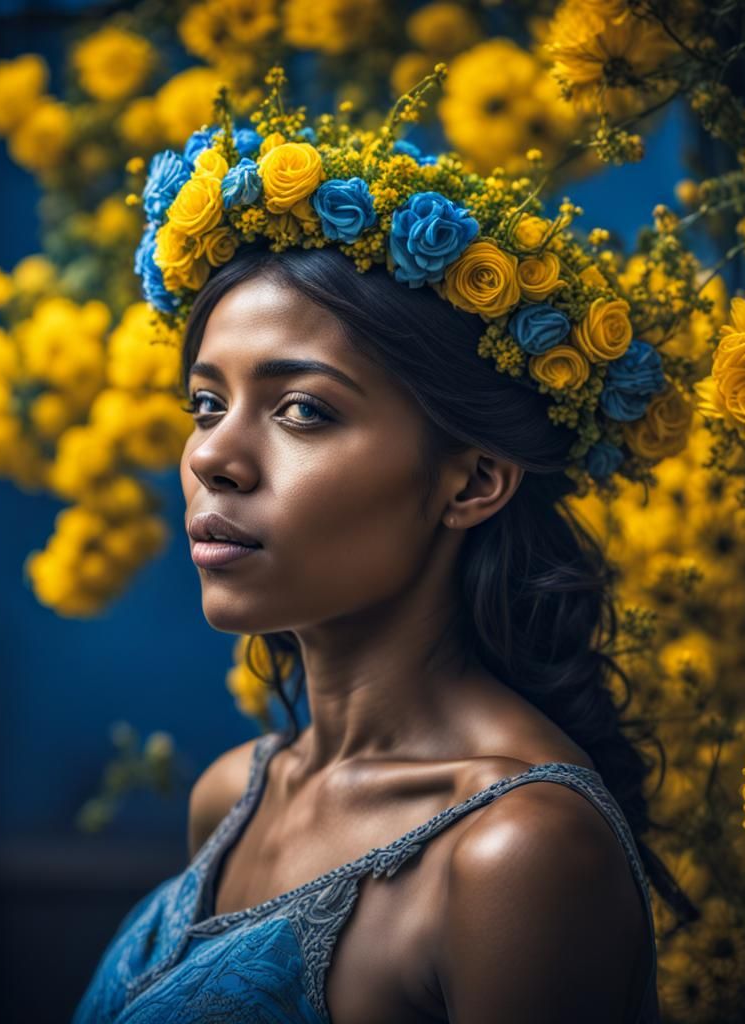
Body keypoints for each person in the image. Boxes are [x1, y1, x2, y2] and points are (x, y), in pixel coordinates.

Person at [71, 241, 695, 1023]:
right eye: (206, 404)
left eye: (303, 409)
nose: (213, 456)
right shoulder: (233, 795)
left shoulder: (515, 852)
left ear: (471, 481)